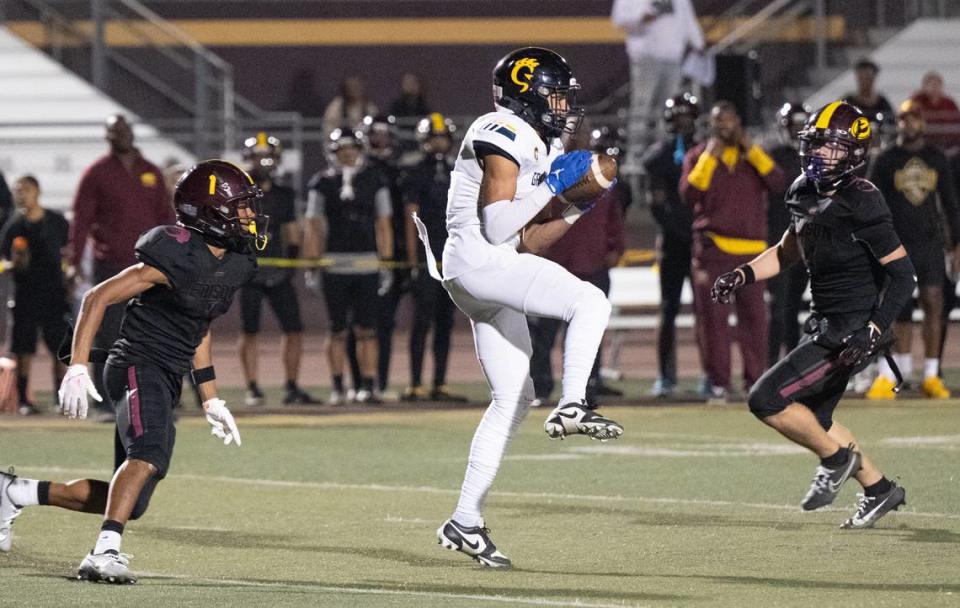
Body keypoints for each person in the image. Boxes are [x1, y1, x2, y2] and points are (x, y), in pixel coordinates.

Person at [0, 160, 262, 579]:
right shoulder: (175, 253)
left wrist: (210, 398)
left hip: (167, 371)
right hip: (137, 362)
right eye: (241, 207)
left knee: (134, 500)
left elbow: (200, 326)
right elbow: (97, 297)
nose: (249, 215)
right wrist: (79, 366)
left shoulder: (236, 261)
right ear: (211, 211)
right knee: (149, 454)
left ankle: (15, 492)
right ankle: (103, 552)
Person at [416, 47, 623, 568]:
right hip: (478, 261)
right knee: (590, 300)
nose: (563, 106)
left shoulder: (538, 142)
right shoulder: (501, 129)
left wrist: (574, 209)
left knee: (515, 395)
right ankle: (574, 402)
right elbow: (497, 225)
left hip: (483, 270)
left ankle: (464, 520)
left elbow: (527, 240)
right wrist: (555, 184)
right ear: (528, 94)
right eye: (555, 94)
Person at [714, 101, 914, 528]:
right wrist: (744, 274)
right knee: (816, 419)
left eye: (832, 147)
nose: (821, 154)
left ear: (855, 153)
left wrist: (874, 329)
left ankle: (836, 459)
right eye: (817, 144)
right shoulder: (802, 189)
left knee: (765, 399)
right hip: (826, 321)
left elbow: (903, 276)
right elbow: (790, 248)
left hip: (850, 330)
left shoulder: (863, 200)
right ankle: (879, 490)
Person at [69, 114, 175, 415]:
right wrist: (74, 262)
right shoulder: (97, 173)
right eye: (115, 131)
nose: (121, 135)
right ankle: (105, 399)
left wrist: (172, 257)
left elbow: (165, 218)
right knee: (109, 332)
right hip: (112, 264)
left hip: (150, 266)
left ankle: (156, 398)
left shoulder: (151, 172)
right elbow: (82, 220)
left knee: (155, 331)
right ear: (108, 136)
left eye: (125, 129)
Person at [680, 101, 784, 399]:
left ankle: (756, 381)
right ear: (710, 125)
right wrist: (709, 159)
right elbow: (689, 194)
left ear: (739, 123)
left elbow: (777, 182)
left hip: (752, 252)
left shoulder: (752, 154)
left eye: (729, 120)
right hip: (713, 249)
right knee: (714, 321)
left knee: (755, 320)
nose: (725, 126)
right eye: (718, 121)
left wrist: (751, 149)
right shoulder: (699, 156)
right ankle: (718, 382)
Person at [866, 100, 960, 399]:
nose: (910, 123)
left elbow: (950, 204)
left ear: (923, 122)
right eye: (904, 118)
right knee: (894, 308)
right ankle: (892, 373)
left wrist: (956, 245)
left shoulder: (937, 157)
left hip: (930, 243)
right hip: (894, 244)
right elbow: (868, 202)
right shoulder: (885, 159)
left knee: (934, 302)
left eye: (915, 117)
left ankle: (931, 374)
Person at [306, 128, 393, 404]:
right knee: (337, 330)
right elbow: (314, 224)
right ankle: (337, 387)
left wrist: (386, 261)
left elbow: (384, 222)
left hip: (367, 263)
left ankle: (368, 384)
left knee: (367, 329)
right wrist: (312, 263)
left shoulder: (374, 179)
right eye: (342, 150)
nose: (347, 154)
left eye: (351, 149)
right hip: (334, 264)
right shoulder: (321, 183)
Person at [238, 133, 316, 406]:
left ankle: (292, 385)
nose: (263, 161)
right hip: (249, 272)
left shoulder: (284, 194)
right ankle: (252, 387)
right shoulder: (239, 194)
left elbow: (292, 233)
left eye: (267, 155)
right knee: (250, 330)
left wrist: (291, 265)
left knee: (294, 329)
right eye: (258, 155)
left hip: (278, 270)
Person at [401, 113, 467, 402]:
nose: (438, 142)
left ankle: (439, 382)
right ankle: (415, 383)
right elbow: (411, 217)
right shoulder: (416, 172)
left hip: (451, 257)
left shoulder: (460, 171)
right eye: (434, 137)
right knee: (421, 321)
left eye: (442, 137)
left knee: (445, 322)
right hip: (429, 257)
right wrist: (416, 261)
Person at [641, 92, 698, 397]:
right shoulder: (660, 156)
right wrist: (682, 232)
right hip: (675, 242)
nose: (684, 123)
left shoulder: (704, 152)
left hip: (698, 240)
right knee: (668, 308)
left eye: (687, 116)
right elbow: (656, 205)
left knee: (706, 310)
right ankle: (666, 376)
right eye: (679, 117)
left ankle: (711, 375)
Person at [0, 175, 70, 415]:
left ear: (38, 191)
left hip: (54, 294)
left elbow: (69, 251)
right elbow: (3, 260)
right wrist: (12, 265)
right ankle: (24, 400)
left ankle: (61, 398)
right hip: (25, 294)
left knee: (60, 347)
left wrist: (70, 273)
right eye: (18, 190)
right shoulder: (13, 225)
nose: (21, 194)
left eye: (26, 189)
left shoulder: (56, 221)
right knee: (23, 348)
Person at [611, 0, 704, 170]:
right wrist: (642, 17)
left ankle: (665, 151)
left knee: (670, 109)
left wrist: (698, 43)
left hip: (673, 57)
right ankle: (635, 155)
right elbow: (619, 19)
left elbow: (687, 18)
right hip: (646, 56)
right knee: (642, 106)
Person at [364, 114, 407, 399]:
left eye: (384, 136)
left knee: (387, 323)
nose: (380, 141)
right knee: (367, 323)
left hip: (400, 252)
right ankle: (364, 382)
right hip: (369, 251)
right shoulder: (362, 175)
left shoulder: (399, 174)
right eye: (374, 136)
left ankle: (381, 381)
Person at [766, 102, 811, 364]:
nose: (796, 132)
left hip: (807, 243)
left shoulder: (815, 157)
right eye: (792, 126)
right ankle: (771, 366)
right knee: (779, 309)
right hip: (780, 242)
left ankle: (790, 367)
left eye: (800, 127)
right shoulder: (773, 156)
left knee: (794, 308)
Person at [909, 70, 960, 154]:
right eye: (932, 85)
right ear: (924, 86)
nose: (935, 88)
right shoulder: (917, 101)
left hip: (948, 145)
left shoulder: (949, 103)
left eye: (937, 85)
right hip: (924, 144)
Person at [844, 58, 894, 125]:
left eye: (867, 78)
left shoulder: (883, 103)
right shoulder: (848, 102)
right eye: (861, 78)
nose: (864, 82)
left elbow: (892, 122)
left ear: (873, 79)